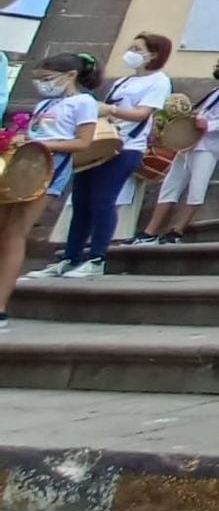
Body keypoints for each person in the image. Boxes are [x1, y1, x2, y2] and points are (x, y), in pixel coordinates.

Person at [33, 33, 171, 279]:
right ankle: (69, 257)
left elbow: (142, 114)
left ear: (154, 54)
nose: (131, 52)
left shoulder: (158, 81)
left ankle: (97, 258)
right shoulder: (123, 81)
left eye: (137, 48)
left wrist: (112, 109)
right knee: (81, 202)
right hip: (100, 144)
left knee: (103, 200)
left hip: (127, 147)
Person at [1, 52, 102, 330]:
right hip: (22, 164)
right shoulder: (46, 102)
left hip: (49, 167)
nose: (43, 85)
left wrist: (46, 146)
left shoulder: (83, 102)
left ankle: (1, 306)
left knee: (15, 232)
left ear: (70, 76)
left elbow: (82, 143)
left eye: (47, 79)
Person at [133, 55, 219, 245]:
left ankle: (177, 231)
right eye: (218, 65)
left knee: (197, 188)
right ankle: (150, 232)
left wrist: (209, 125)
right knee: (170, 186)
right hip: (189, 144)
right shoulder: (217, 90)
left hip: (207, 147)